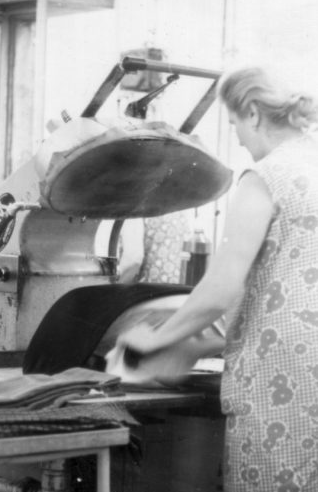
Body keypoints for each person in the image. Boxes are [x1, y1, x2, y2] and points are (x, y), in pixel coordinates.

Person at [115, 66, 318, 491]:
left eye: (235, 123)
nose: (239, 138)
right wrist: (205, 341)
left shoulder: (266, 178)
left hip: (281, 377)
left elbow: (220, 289)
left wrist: (154, 340)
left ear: (254, 112)